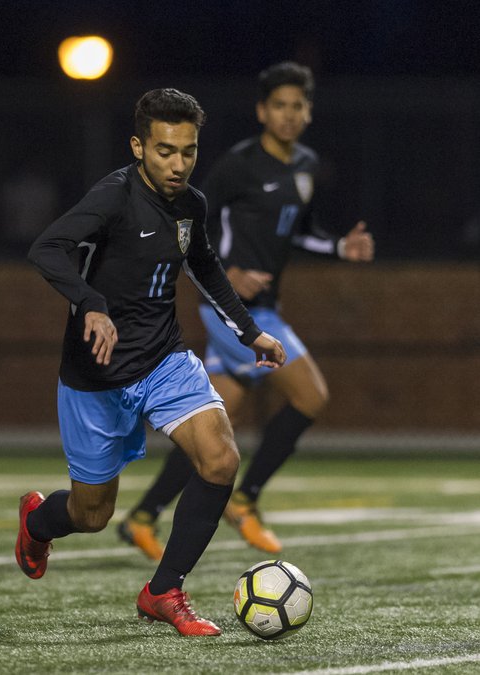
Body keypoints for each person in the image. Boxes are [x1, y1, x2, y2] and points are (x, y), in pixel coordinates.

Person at [18, 88, 287, 637]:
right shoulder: (113, 197)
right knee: (92, 514)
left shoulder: (191, 204)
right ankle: (38, 522)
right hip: (96, 373)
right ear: (139, 147)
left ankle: (163, 591)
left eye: (188, 151)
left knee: (220, 460)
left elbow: (205, 268)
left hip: (165, 359)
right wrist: (91, 304)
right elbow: (46, 248)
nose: (179, 164)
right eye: (165, 151)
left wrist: (250, 332)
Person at [118, 62, 375, 561]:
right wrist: (229, 272)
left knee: (217, 420)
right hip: (233, 310)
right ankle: (245, 500)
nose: (288, 114)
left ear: (308, 112)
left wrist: (341, 247)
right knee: (311, 395)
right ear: (262, 111)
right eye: (278, 105)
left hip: (266, 306)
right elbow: (190, 222)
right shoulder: (238, 165)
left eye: (297, 106)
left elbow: (299, 230)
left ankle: (142, 516)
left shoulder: (306, 164)